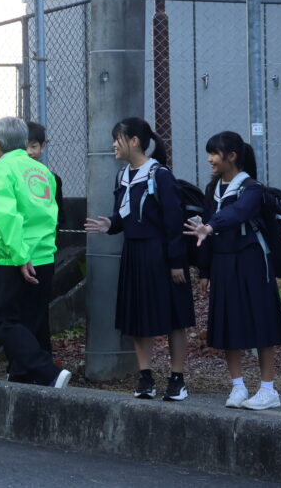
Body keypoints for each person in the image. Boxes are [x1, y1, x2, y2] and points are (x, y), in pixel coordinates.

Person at [84, 117, 194, 401]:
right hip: (133, 253)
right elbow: (123, 214)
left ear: (134, 141)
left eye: (117, 139)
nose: (113, 145)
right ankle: (145, 378)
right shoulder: (123, 175)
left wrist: (176, 262)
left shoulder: (160, 175)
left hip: (161, 253)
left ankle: (177, 379)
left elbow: (174, 222)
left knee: (173, 317)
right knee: (137, 316)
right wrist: (110, 224)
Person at [184, 131, 281, 411]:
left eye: (214, 154)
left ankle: (268, 390)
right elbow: (203, 231)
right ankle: (238, 386)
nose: (210, 159)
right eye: (209, 153)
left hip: (252, 260)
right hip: (223, 261)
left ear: (232, 156)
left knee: (261, 321)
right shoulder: (213, 189)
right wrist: (205, 270)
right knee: (227, 321)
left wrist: (210, 226)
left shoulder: (252, 188)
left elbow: (238, 213)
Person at [0, 116, 70, 388]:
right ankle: (23, 377)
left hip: (12, 258)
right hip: (44, 255)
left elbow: (7, 216)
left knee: (5, 321)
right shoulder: (42, 171)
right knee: (33, 319)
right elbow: (50, 216)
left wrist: (20, 256)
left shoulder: (0, 170)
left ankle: (48, 371)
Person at [25, 121, 65, 229]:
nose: (29, 152)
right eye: (24, 147)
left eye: (33, 146)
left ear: (42, 146)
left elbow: (59, 215)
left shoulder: (53, 179)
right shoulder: (13, 176)